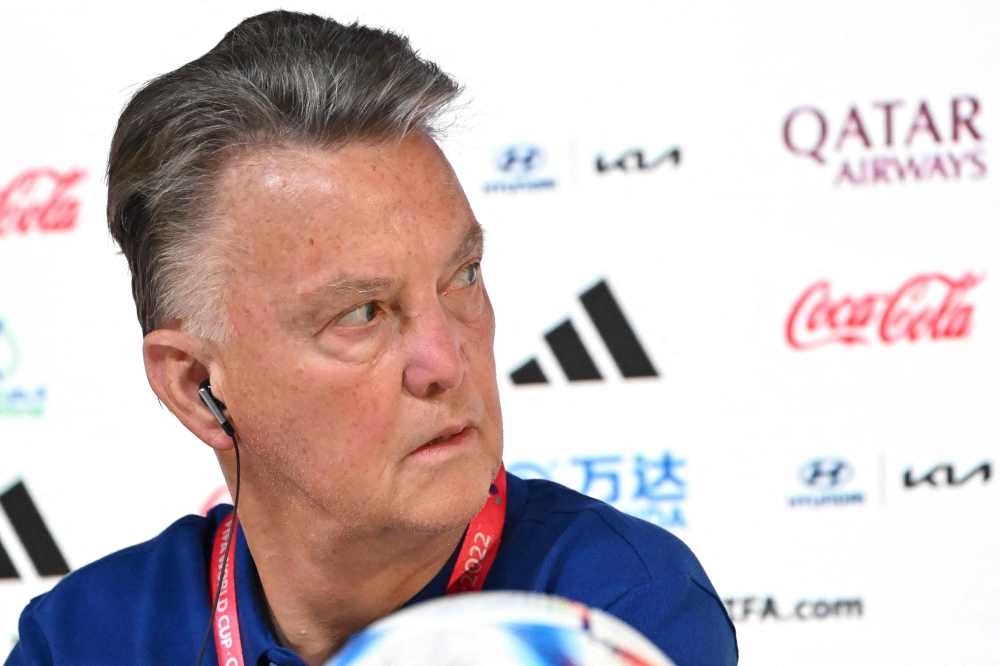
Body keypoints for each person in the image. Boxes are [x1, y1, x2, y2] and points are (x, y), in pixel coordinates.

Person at [5, 11, 737, 666]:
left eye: (464, 275)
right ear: (198, 385)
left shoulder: (609, 613)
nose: (447, 360)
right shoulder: (81, 639)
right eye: (362, 312)